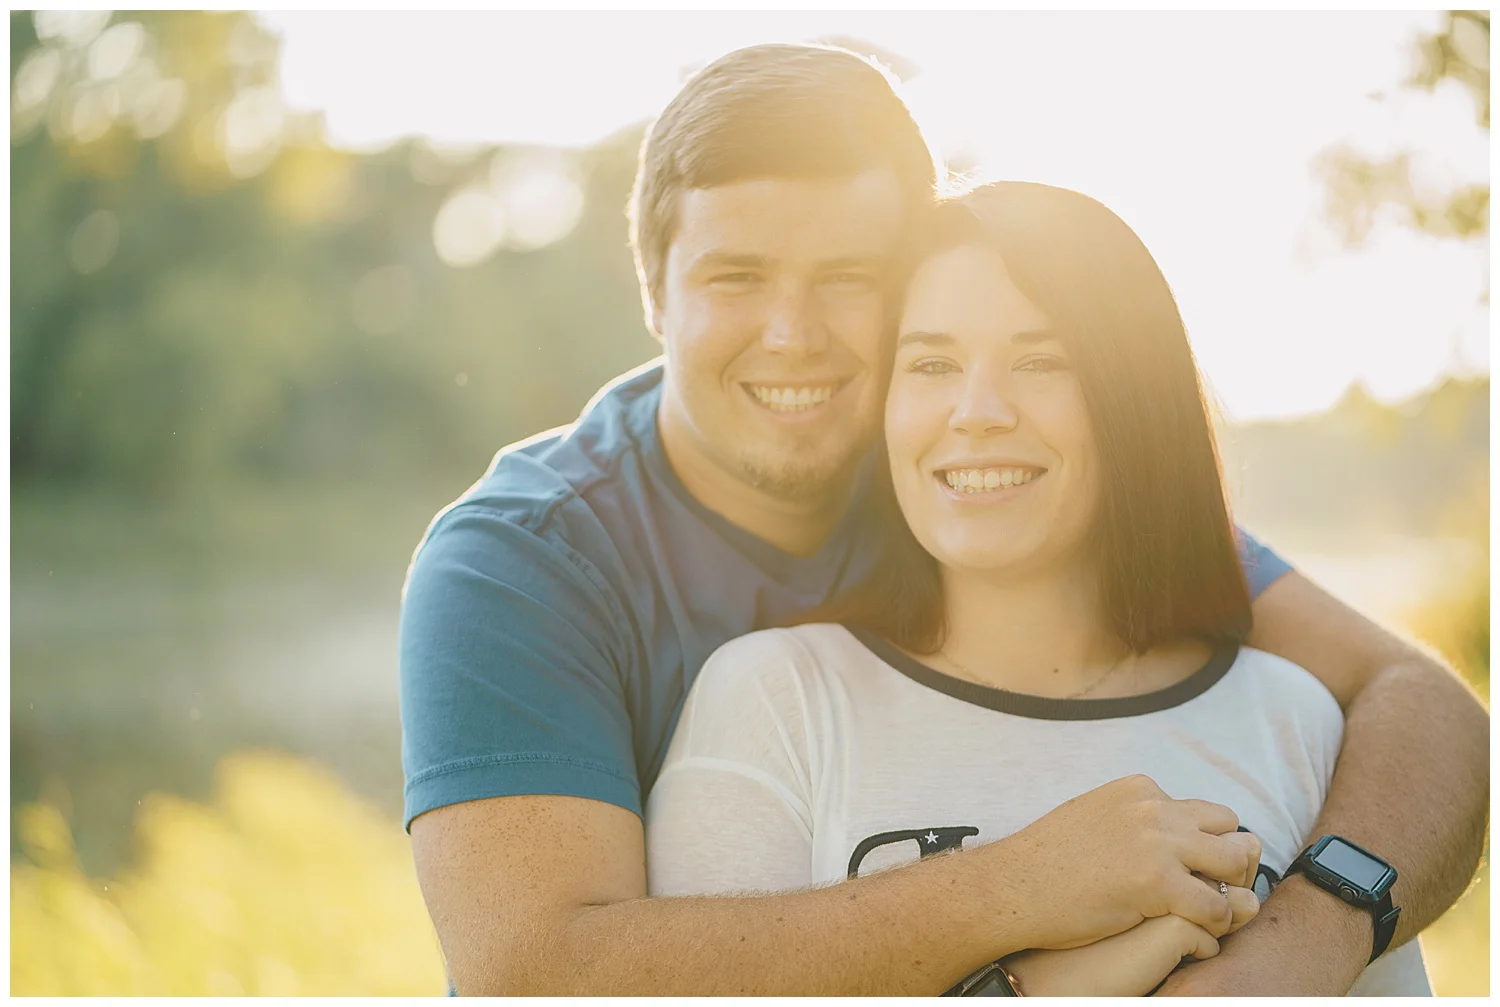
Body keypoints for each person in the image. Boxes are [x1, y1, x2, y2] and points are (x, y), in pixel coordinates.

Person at [398, 43, 1489, 996]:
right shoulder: (524, 561)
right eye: (736, 276)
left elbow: (1418, 703)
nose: (793, 334)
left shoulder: (978, 477)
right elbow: (538, 974)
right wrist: (1019, 889)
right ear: (655, 293)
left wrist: (1304, 944)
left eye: (848, 278)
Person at [643, 182, 1433, 995]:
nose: (977, 411)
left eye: (1040, 360)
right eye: (932, 363)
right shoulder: (778, 702)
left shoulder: (1296, 722)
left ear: (1132, 400)